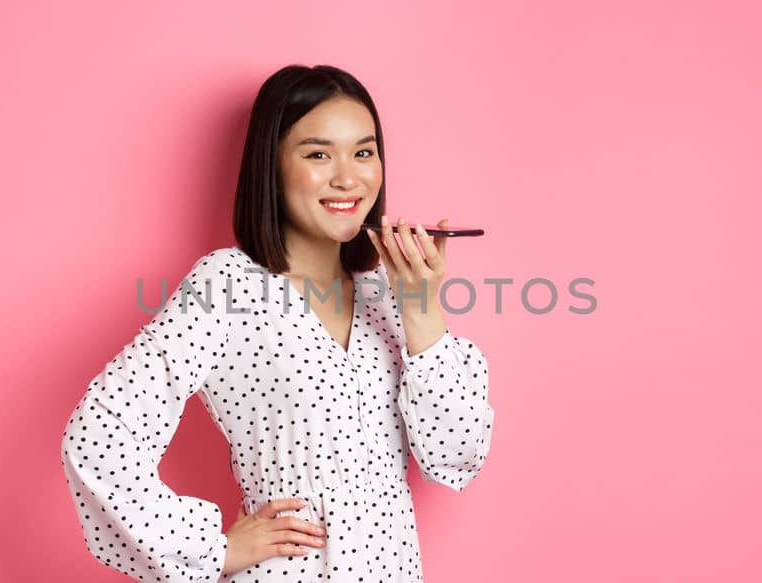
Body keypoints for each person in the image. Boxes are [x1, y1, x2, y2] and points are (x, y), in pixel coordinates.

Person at [59, 64, 495, 582]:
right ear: (272, 165)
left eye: (364, 151)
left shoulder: (389, 291)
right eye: (317, 154)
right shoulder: (226, 286)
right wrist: (210, 549)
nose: (348, 177)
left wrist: (421, 309)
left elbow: (456, 456)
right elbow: (98, 437)